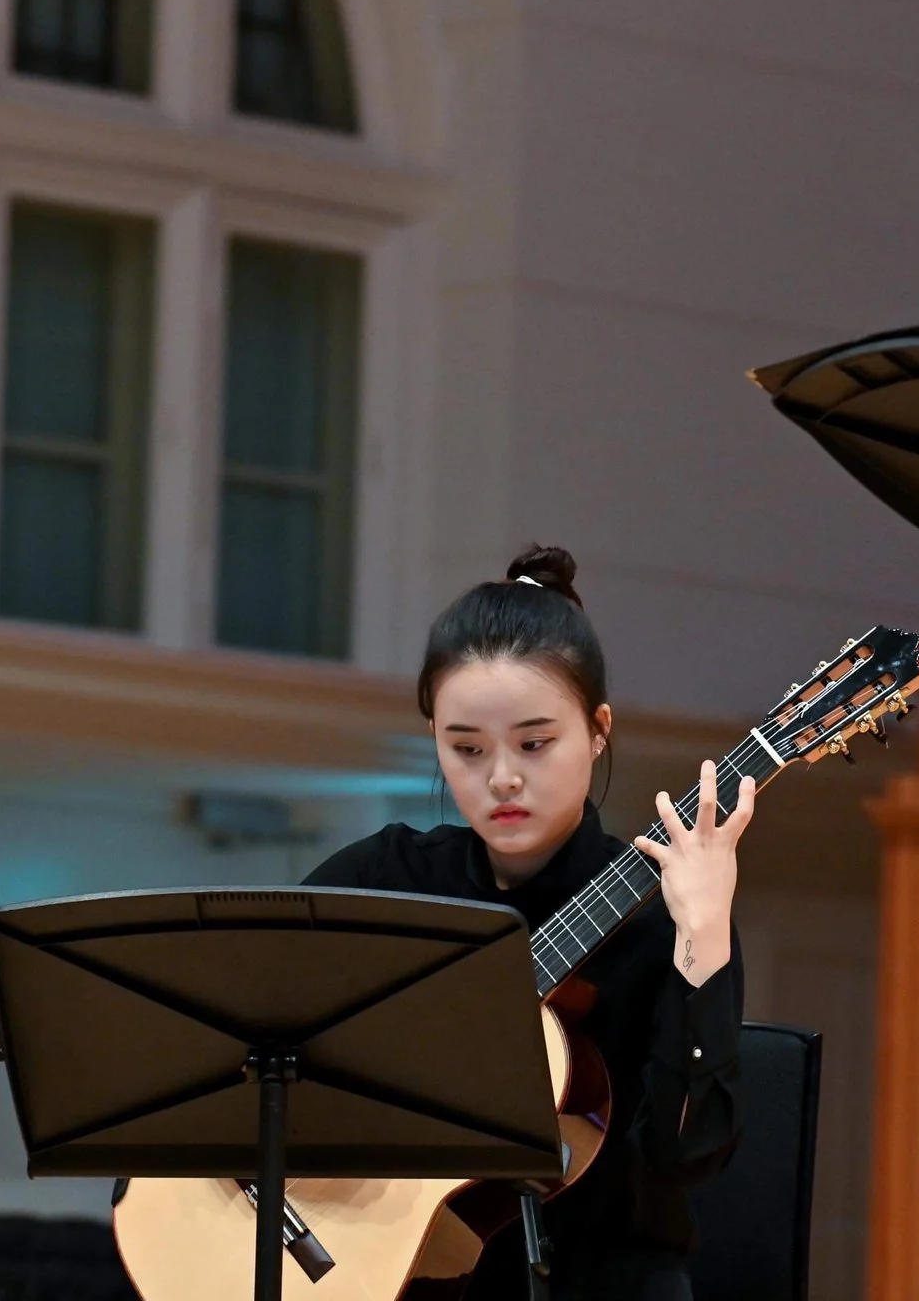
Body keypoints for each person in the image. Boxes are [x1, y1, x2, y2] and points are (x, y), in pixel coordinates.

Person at [304, 544, 752, 1301]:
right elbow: (248, 1024)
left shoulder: (668, 914)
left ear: (598, 729)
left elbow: (686, 1157)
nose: (502, 776)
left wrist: (704, 940)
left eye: (535, 743)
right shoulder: (386, 880)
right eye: (466, 748)